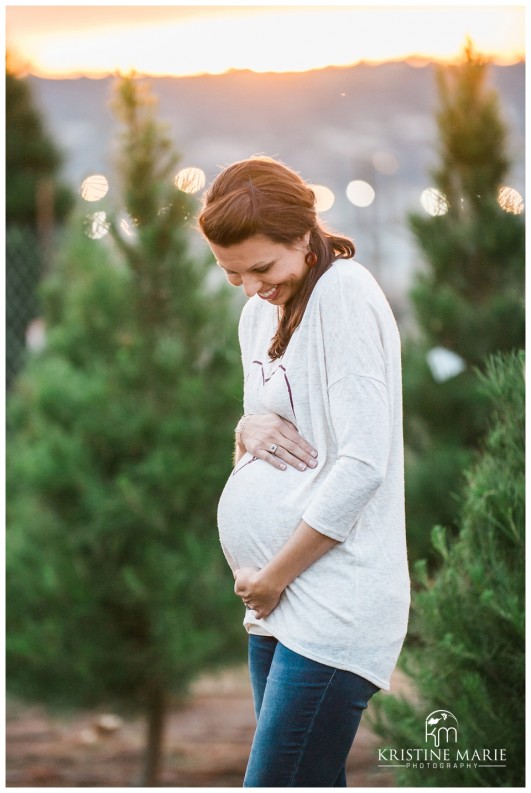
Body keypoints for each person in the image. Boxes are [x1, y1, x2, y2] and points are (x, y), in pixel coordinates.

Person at [198, 156, 410, 788]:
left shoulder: (343, 296)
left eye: (262, 268)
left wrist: (273, 577)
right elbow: (263, 449)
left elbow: (363, 465)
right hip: (275, 604)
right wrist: (243, 431)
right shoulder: (257, 314)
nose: (250, 287)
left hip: (331, 599)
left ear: (304, 235)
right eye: (231, 273)